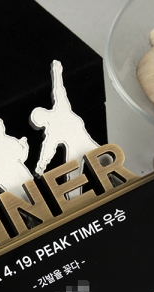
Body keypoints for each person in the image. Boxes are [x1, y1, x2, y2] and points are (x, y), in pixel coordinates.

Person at [30, 60, 99, 195]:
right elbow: (48, 148)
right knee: (73, 181)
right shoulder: (52, 130)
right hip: (75, 151)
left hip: (84, 143)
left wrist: (57, 73)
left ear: (44, 113)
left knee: (107, 160)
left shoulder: (60, 109)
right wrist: (41, 165)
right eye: (40, 124)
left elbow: (59, 90)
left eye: (40, 121)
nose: (42, 124)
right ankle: (76, 202)